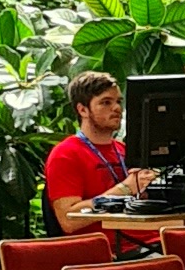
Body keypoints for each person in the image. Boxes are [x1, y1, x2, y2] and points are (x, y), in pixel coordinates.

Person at [43, 72, 157, 237]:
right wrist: (125, 189)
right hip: (110, 247)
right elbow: (68, 220)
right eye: (106, 102)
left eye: (118, 102)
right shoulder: (65, 154)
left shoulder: (124, 150)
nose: (117, 108)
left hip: (150, 239)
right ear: (83, 110)